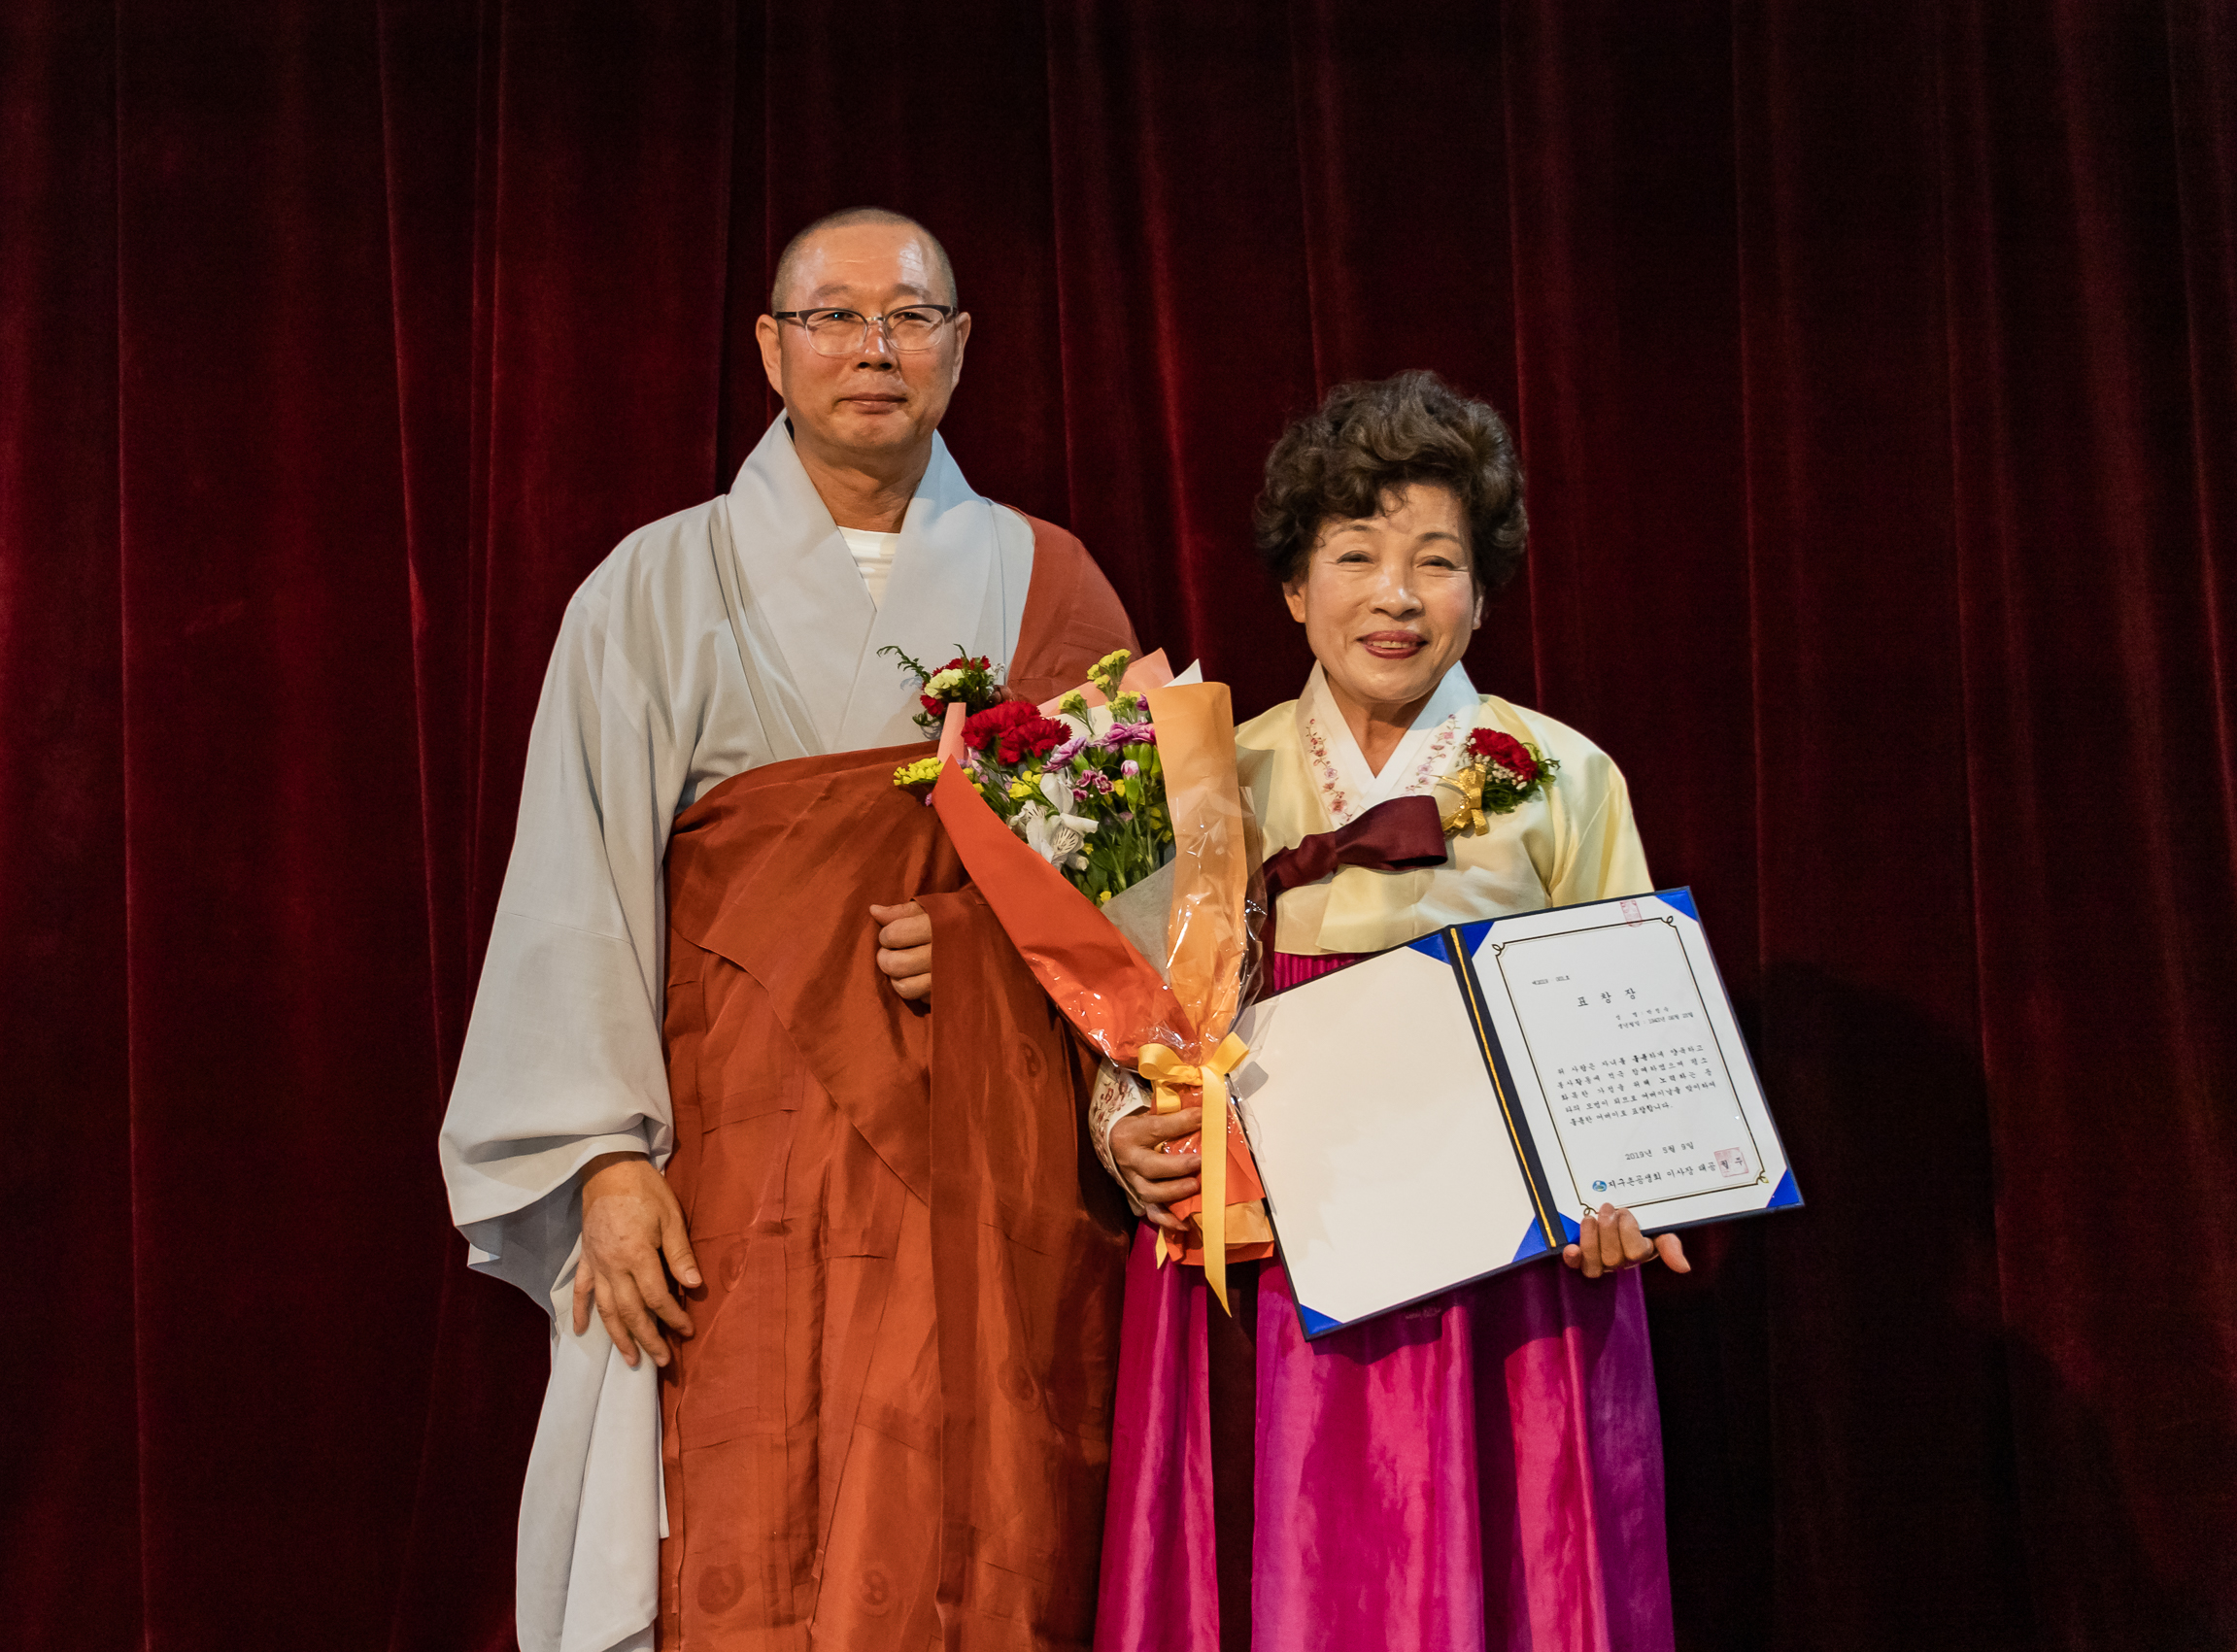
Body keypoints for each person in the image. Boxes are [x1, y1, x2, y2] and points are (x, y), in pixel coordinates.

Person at [440, 207, 1139, 1652]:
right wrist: (600, 1162)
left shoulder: (1052, 582)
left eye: (909, 316)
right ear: (770, 348)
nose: (873, 347)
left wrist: (988, 942)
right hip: (730, 1152)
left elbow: (1140, 904)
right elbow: (575, 884)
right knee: (741, 1510)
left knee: (970, 1525)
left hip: (975, 1157)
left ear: (960, 347)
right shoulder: (650, 588)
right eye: (834, 317)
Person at [1091, 372, 1686, 1651]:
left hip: (1506, 1276)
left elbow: (1631, 1028)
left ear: (1484, 590)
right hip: (1273, 1252)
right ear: (1295, 589)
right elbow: (1137, 1018)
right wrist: (1126, 1130)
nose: (1397, 596)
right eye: (1355, 555)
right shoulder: (1211, 771)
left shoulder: (1563, 776)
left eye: (1438, 561)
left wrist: (1627, 1191)